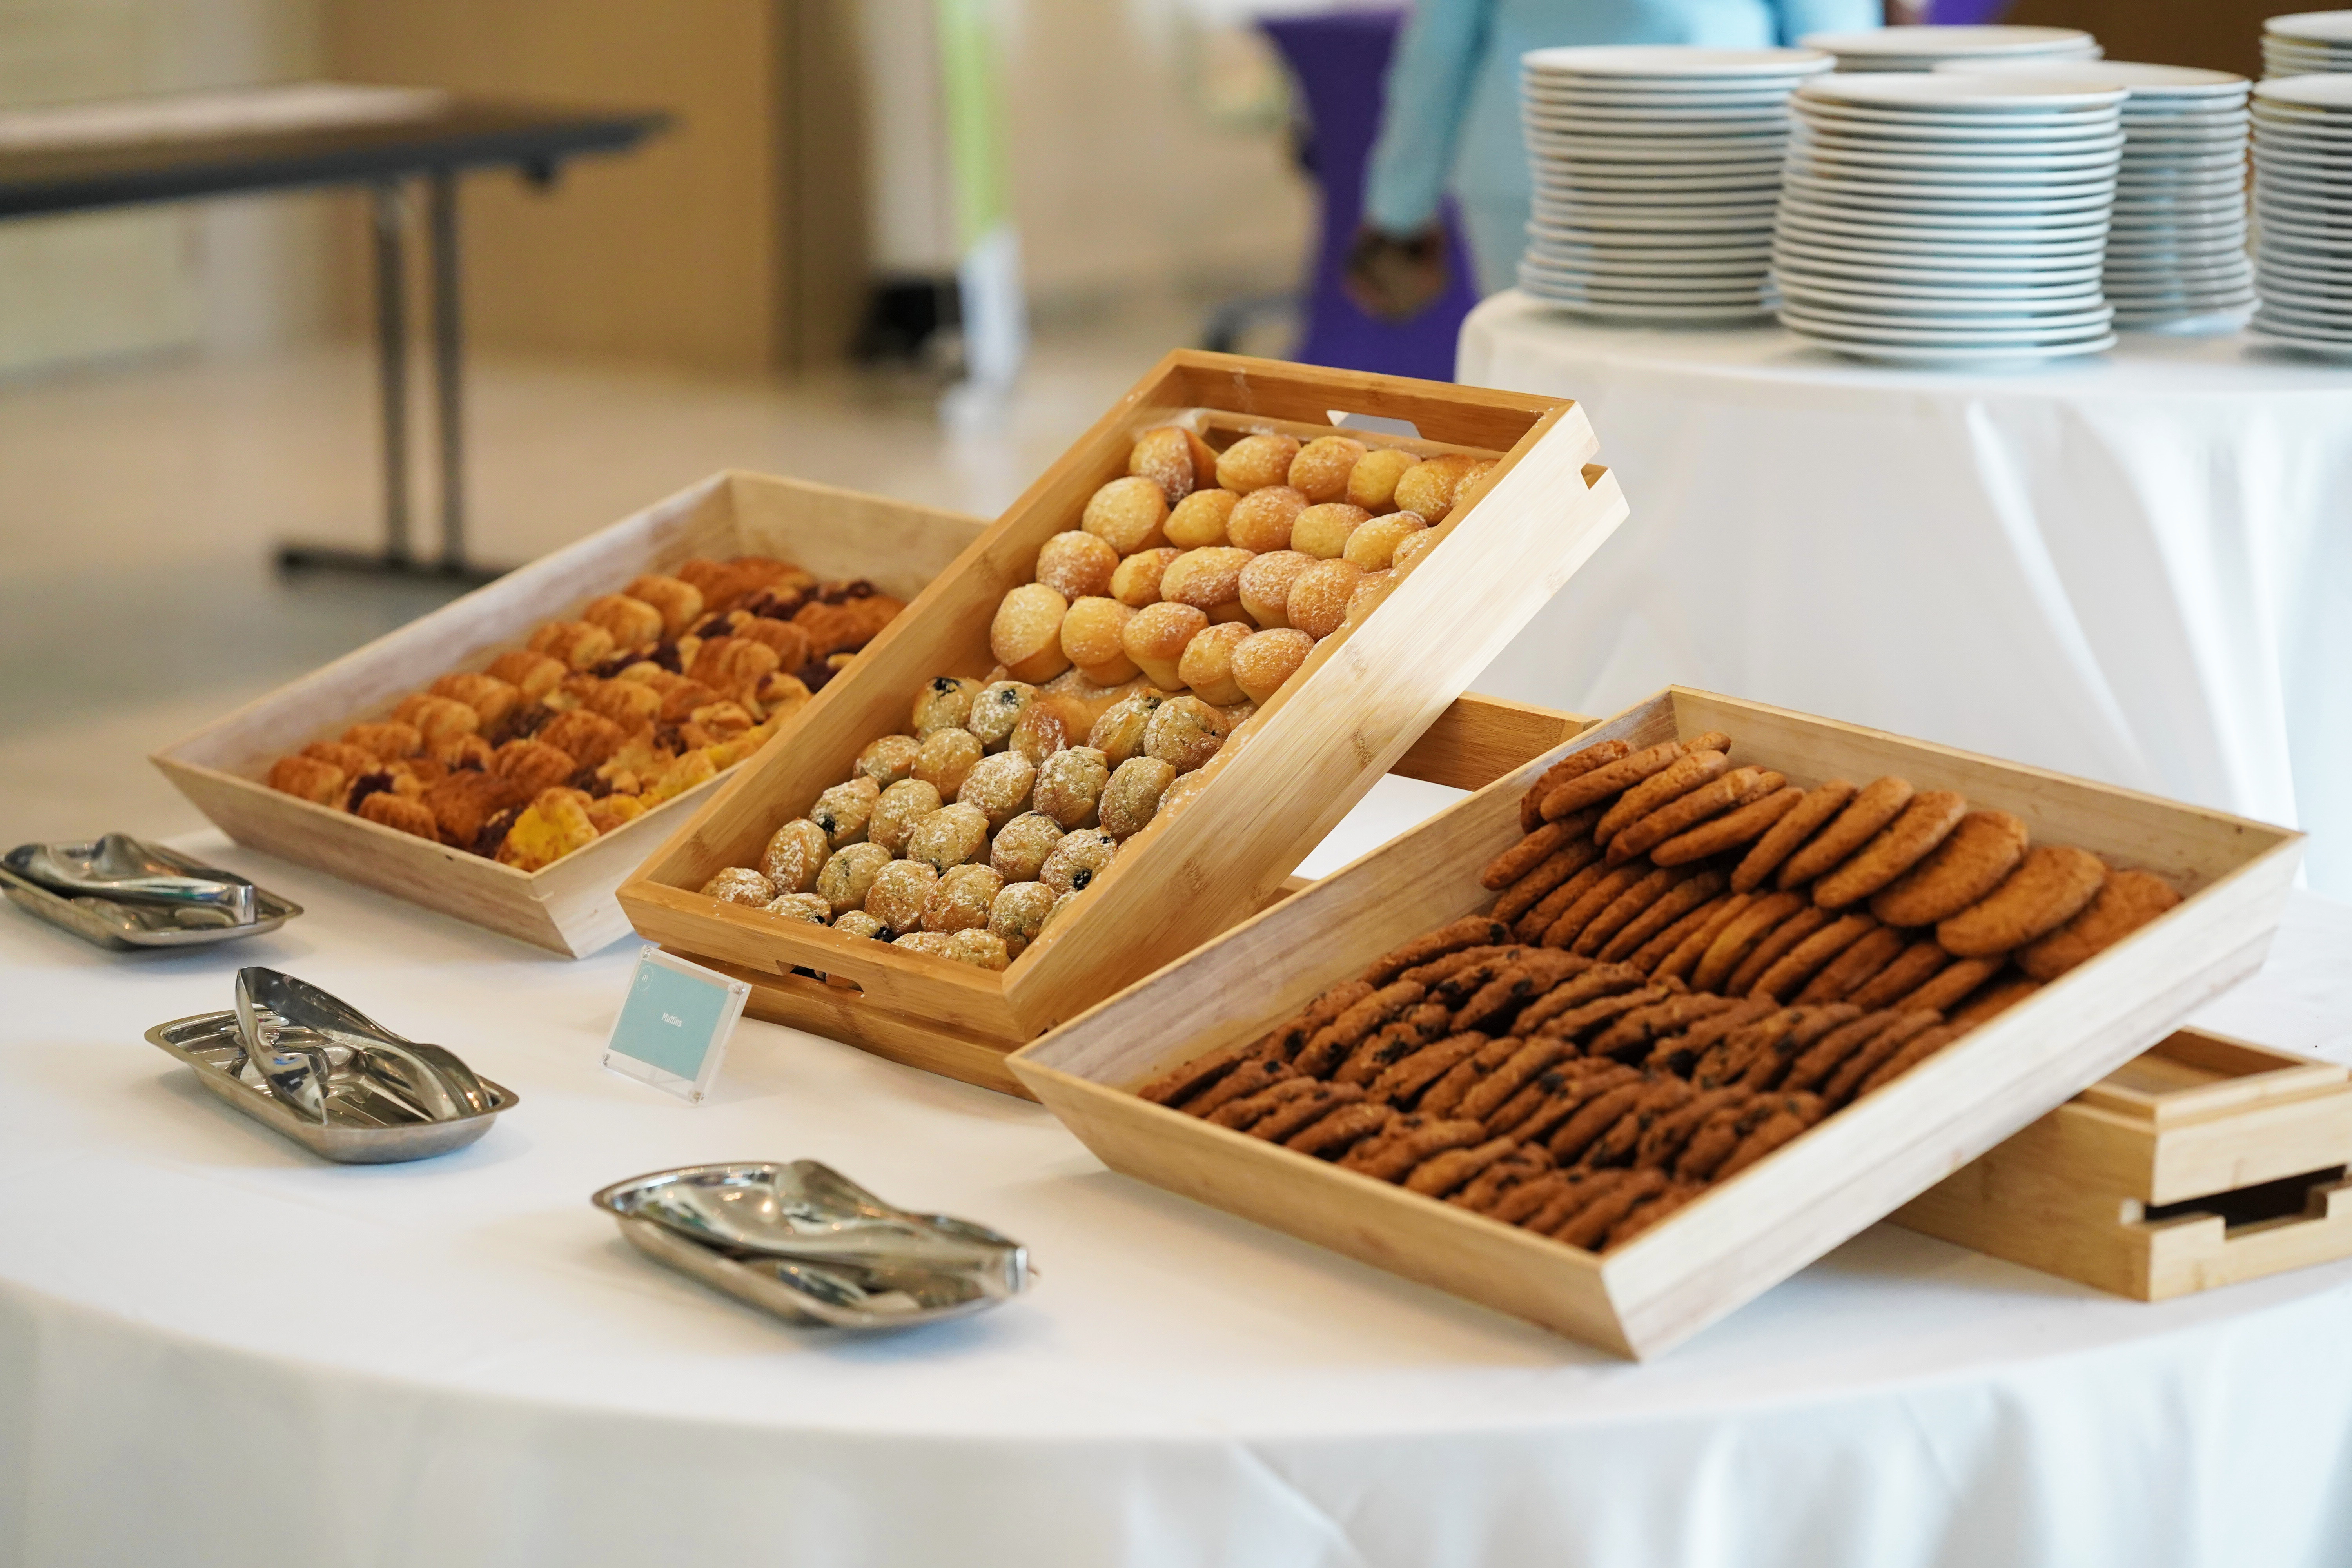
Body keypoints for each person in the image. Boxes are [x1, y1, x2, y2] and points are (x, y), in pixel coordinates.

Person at [1346, 0, 1882, 318]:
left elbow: (1437, 54)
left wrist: (1399, 208)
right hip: (1719, 161)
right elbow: (1835, 44)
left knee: (1538, 397)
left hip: (1525, 165)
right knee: (1695, 401)